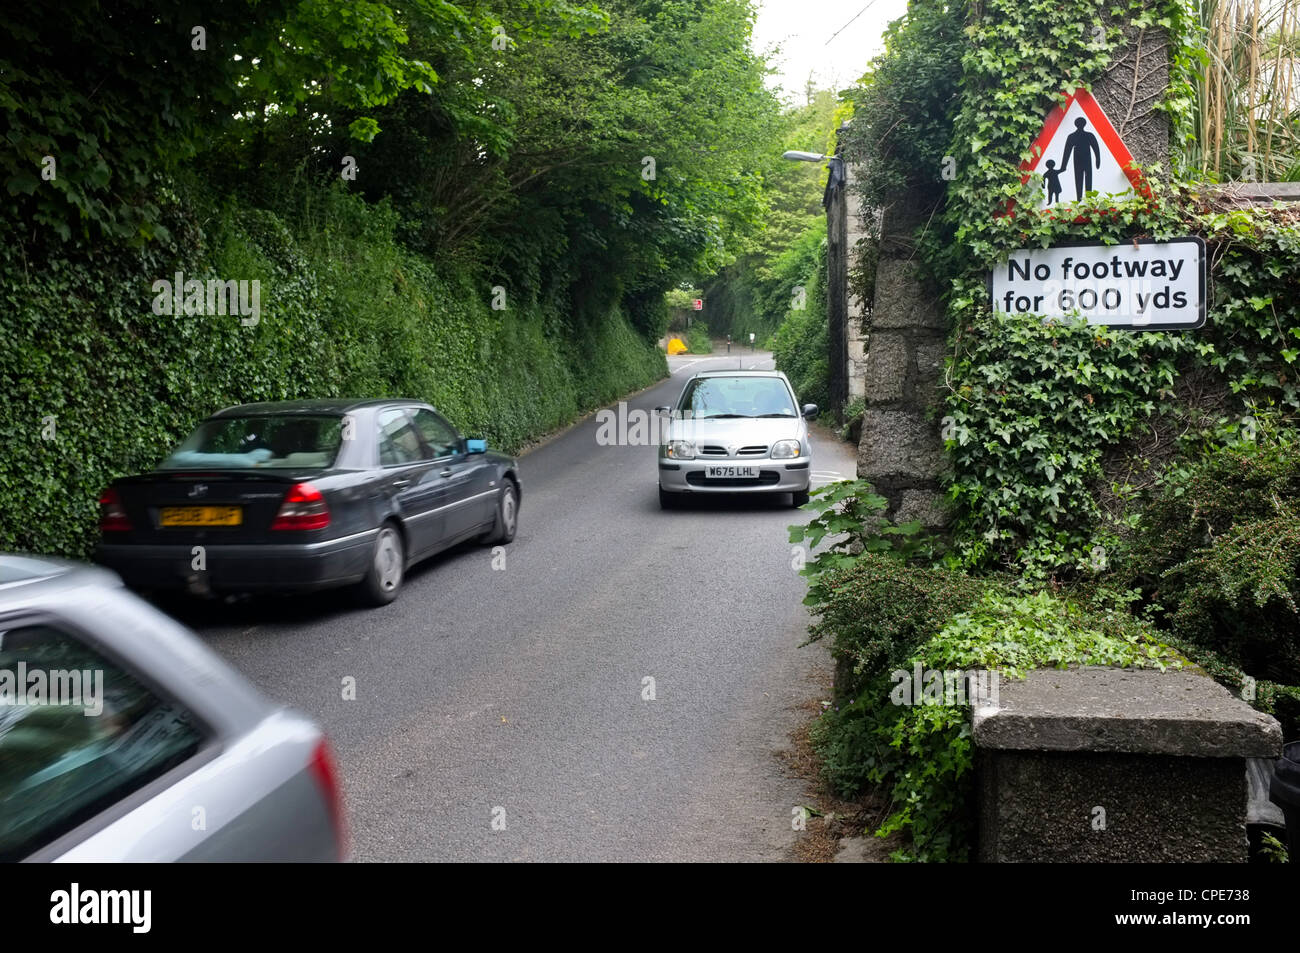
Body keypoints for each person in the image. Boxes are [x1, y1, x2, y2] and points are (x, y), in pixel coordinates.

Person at [1059, 118, 1101, 200]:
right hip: (1080, 159)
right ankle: (1082, 199)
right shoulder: (1078, 136)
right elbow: (1067, 152)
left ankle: (1085, 199)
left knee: (1082, 178)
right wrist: (1063, 166)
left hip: (1084, 159)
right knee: (1081, 178)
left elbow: (1096, 148)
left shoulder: (1075, 136)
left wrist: (1098, 160)